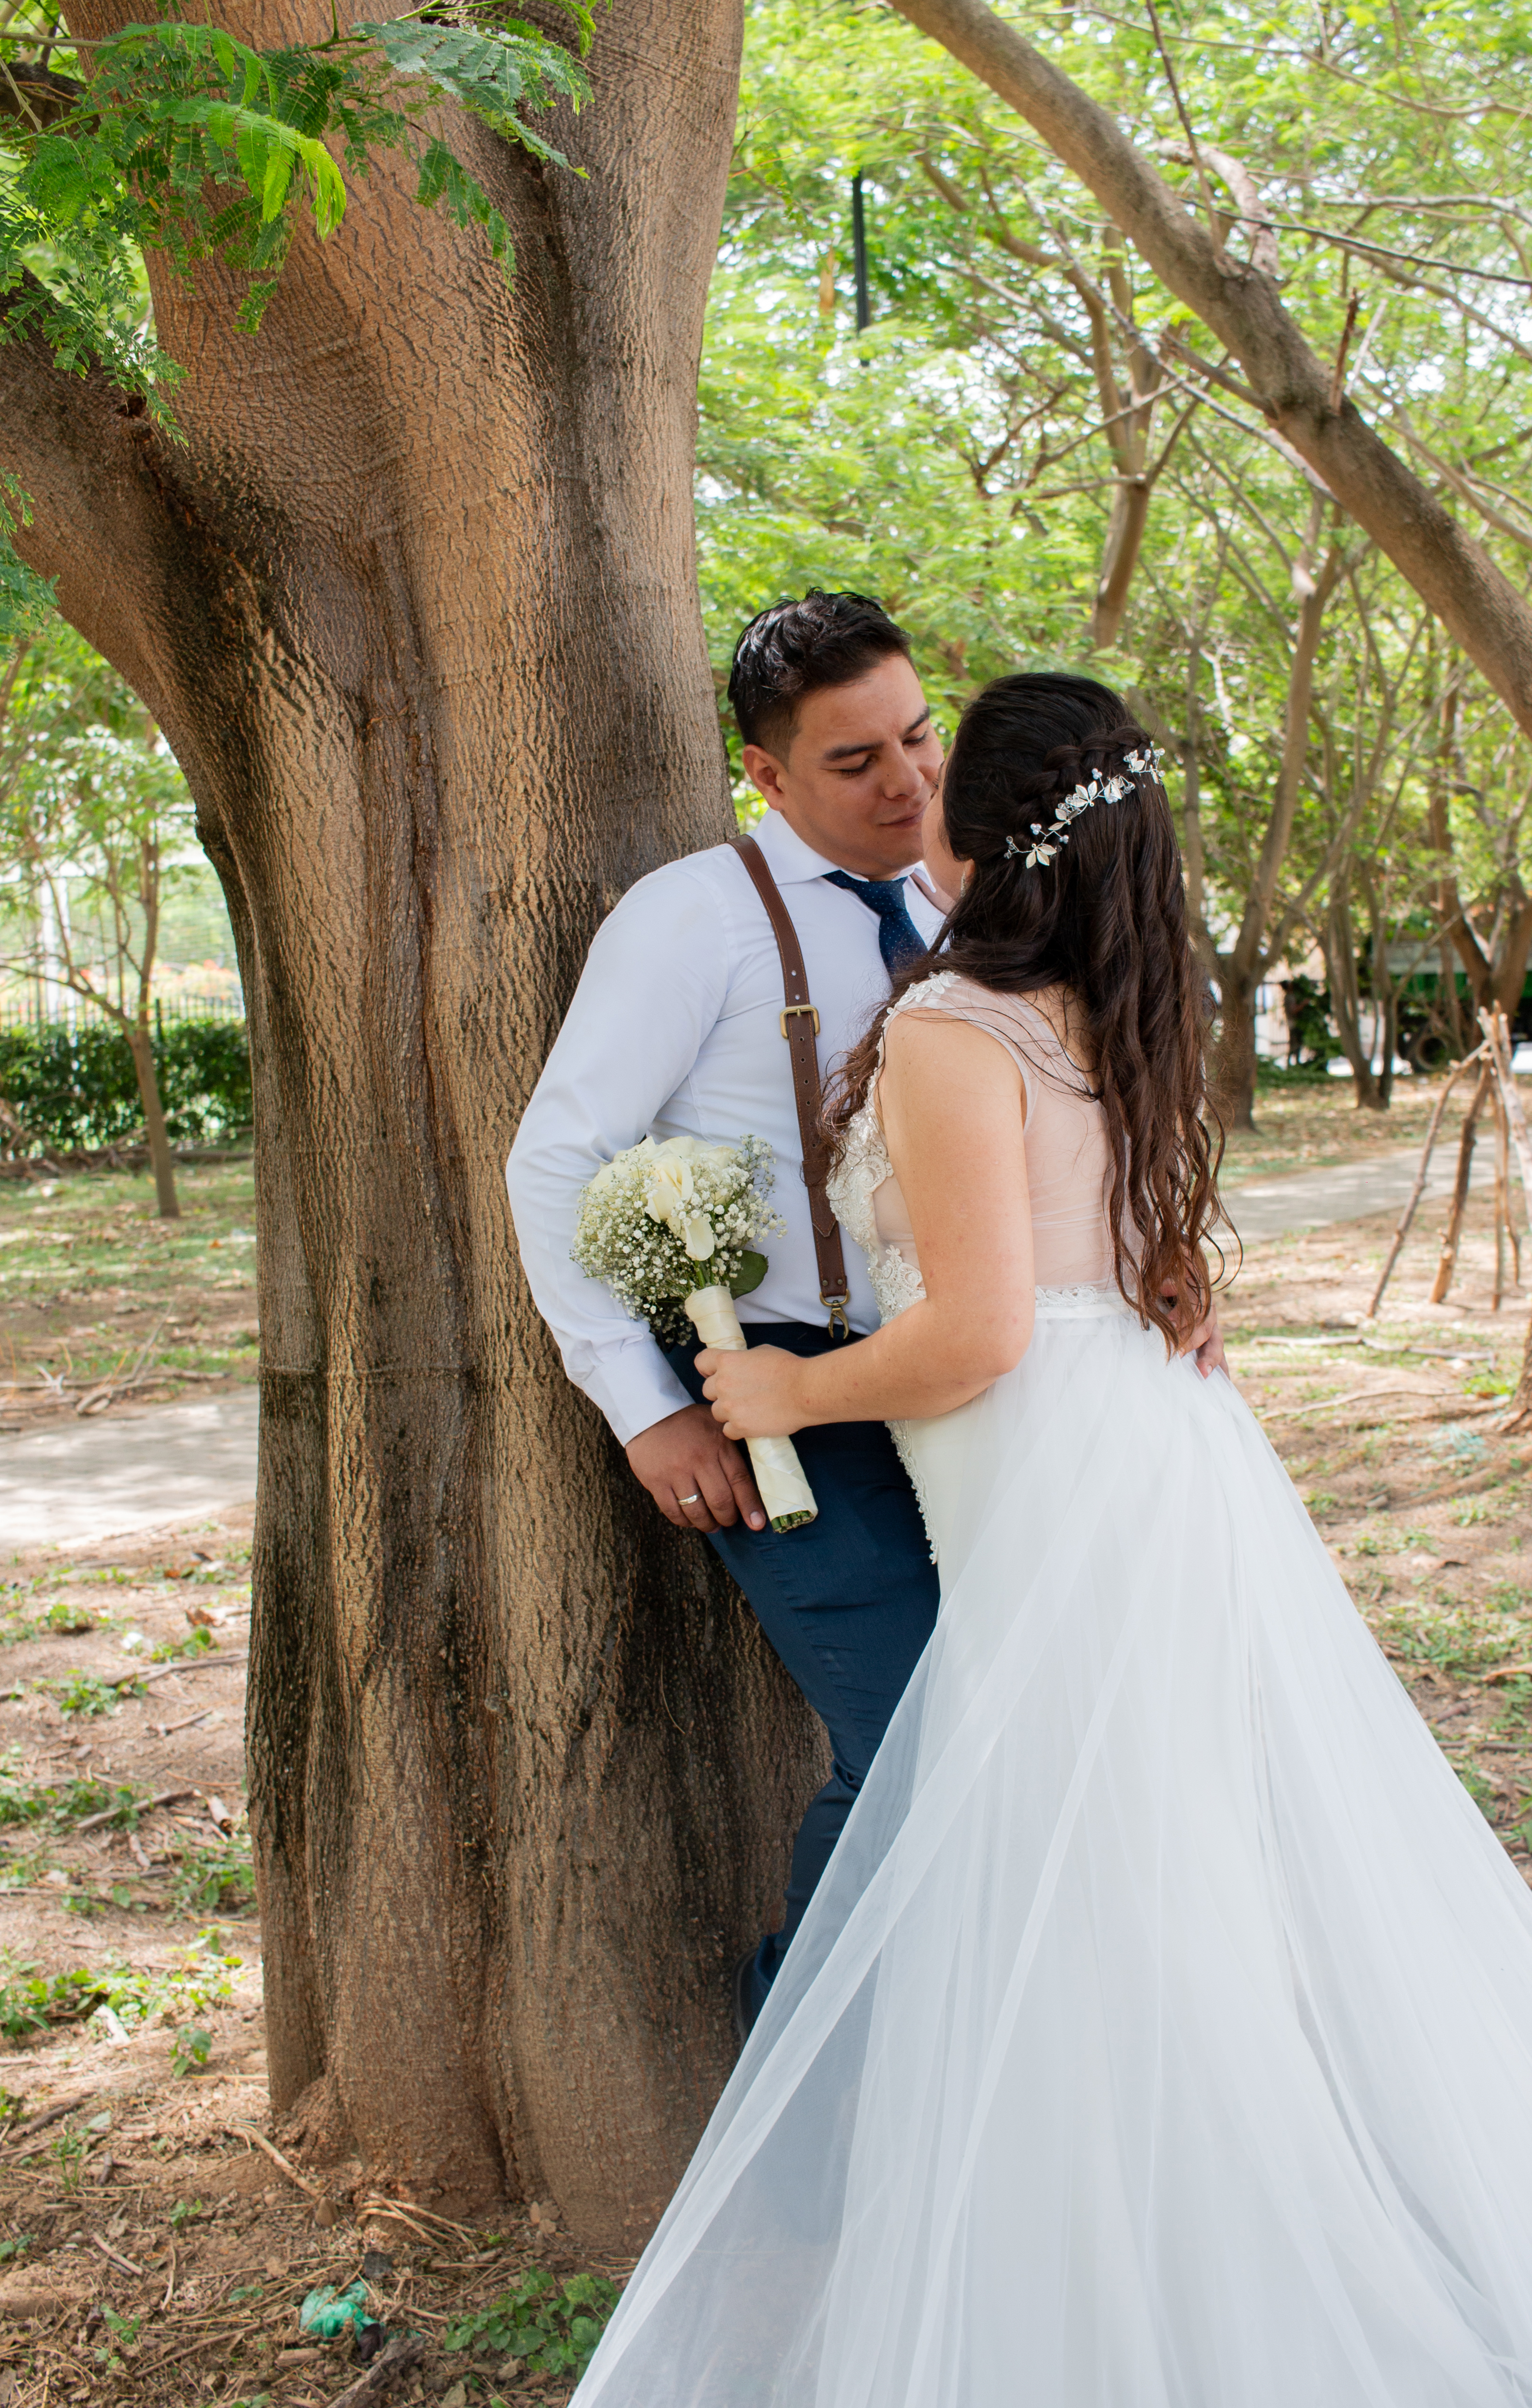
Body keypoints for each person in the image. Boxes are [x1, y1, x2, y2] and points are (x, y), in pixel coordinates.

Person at [571, 673, 1532, 2407]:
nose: (913, 779)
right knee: (1163, 1849)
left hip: (1052, 1464)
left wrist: (786, 1391)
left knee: (1092, 1860)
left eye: (938, 757)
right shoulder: (1117, 992)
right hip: (1149, 1444)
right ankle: (1170, 2224)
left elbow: (983, 1331)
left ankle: (1158, 2270)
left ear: (985, 828)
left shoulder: (956, 1021)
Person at [507, 590, 951, 2039]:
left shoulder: (970, 892)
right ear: (765, 773)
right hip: (784, 1402)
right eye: (854, 761)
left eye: (920, 736)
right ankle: (791, 2080)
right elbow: (557, 1157)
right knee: (918, 1739)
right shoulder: (694, 916)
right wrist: (647, 1408)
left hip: (972, 1382)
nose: (906, 781)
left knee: (1026, 1723)